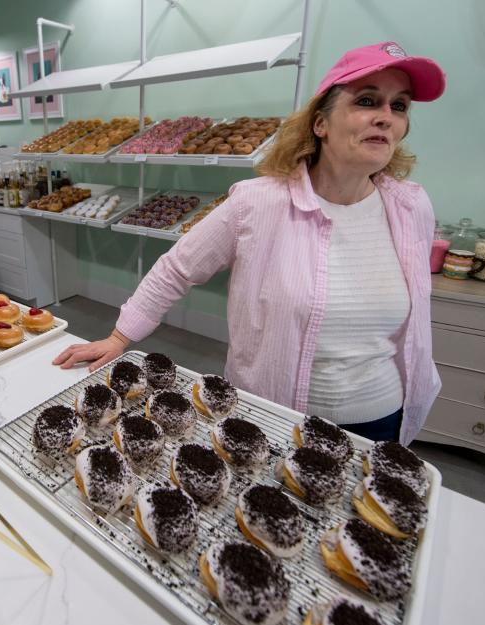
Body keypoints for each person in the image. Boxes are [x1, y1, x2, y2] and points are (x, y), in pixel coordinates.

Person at [54, 42, 447, 445]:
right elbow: (177, 268)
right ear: (321, 123)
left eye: (399, 106)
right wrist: (120, 337)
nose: (385, 118)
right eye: (367, 101)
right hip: (278, 418)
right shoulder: (258, 203)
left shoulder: (411, 206)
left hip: (381, 420)